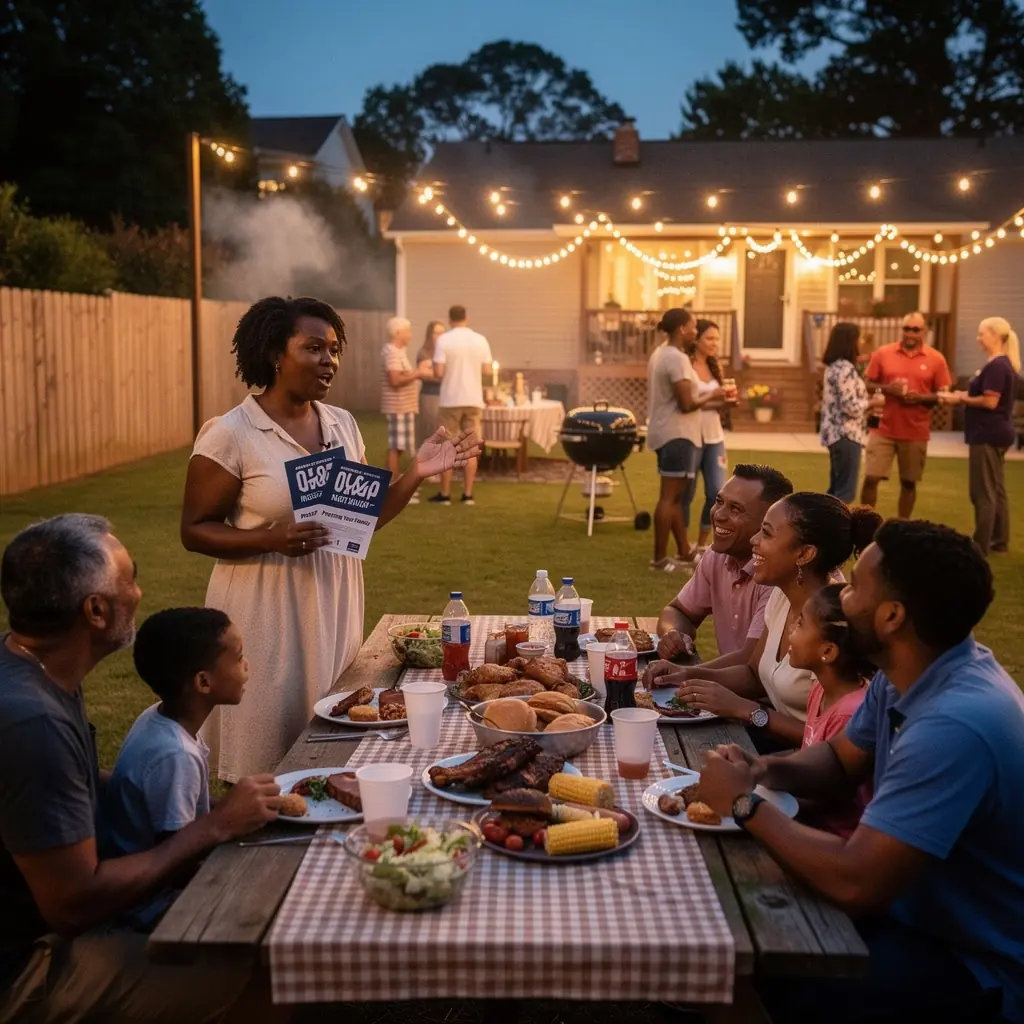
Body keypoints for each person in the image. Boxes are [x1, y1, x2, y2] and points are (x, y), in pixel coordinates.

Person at [698, 520, 1024, 1024]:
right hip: (910, 913)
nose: (840, 593)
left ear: (892, 616)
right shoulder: (905, 675)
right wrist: (762, 768)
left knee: (747, 951)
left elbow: (856, 880)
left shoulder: (955, 724)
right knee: (727, 916)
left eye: (853, 588)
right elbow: (838, 759)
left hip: (971, 959)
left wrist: (745, 804)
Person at [181, 296, 481, 780]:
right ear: (276, 354)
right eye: (314, 348)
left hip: (333, 603)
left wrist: (415, 473)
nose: (330, 361)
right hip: (266, 613)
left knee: (331, 741)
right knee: (266, 758)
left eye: (334, 349)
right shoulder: (232, 433)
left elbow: (363, 519)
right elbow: (194, 530)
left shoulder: (341, 424)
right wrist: (270, 537)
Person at [0, 515, 282, 1022]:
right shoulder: (32, 721)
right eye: (130, 578)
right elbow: (73, 903)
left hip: (60, 917)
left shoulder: (29, 667)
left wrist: (219, 807)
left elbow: (66, 785)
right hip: (28, 960)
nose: (140, 590)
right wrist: (215, 825)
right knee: (265, 967)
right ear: (95, 610)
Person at [647, 493, 881, 750]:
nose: (753, 540)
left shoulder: (833, 623)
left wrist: (745, 709)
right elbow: (753, 674)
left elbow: (831, 740)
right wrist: (686, 674)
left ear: (804, 553)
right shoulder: (781, 594)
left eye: (767, 534)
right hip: (770, 741)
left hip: (806, 762)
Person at [105, 608, 249, 929]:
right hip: (156, 908)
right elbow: (180, 860)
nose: (247, 666)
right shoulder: (174, 754)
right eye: (239, 658)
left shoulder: (157, 719)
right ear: (203, 681)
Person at [656, 464, 793, 667]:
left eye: (736, 509)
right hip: (733, 688)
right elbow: (679, 611)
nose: (718, 515)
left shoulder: (776, 573)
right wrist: (673, 634)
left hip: (766, 696)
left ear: (769, 522)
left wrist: (682, 674)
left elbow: (751, 662)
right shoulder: (717, 556)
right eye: (719, 502)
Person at [785, 584, 872, 838]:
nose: (791, 631)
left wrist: (756, 795)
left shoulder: (849, 713)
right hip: (810, 820)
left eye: (800, 625)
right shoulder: (821, 690)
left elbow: (826, 798)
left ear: (827, 651)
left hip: (833, 838)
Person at [647, 308, 723, 572]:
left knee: (676, 497)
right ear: (682, 329)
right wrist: (717, 396)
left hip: (667, 432)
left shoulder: (660, 353)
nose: (695, 330)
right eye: (693, 326)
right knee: (669, 497)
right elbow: (687, 403)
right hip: (677, 433)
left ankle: (684, 551)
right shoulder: (677, 358)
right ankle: (658, 559)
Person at [940, 316, 1020, 555]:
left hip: (988, 433)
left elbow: (989, 401)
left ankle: (980, 545)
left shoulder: (996, 366)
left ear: (995, 336)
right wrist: (965, 394)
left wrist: (959, 398)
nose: (978, 338)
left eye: (982, 333)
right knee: (996, 489)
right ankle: (999, 541)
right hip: (998, 432)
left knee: (982, 492)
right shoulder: (1003, 364)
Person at [860, 311, 951, 518]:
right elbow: (866, 383)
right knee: (871, 477)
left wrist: (920, 398)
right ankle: (865, 523)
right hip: (883, 427)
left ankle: (903, 525)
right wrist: (887, 388)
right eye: (906, 328)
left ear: (924, 332)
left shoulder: (936, 359)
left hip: (915, 429)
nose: (910, 333)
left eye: (915, 329)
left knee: (909, 482)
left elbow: (943, 395)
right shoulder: (883, 353)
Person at [429, 304, 492, 506]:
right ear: (467, 318)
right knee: (470, 447)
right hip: (473, 399)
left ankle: (445, 494)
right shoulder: (480, 340)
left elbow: (438, 373)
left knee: (447, 447)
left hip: (450, 400)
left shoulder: (444, 341)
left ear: (450, 320)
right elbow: (488, 370)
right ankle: (467, 494)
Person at [682, 319, 735, 556]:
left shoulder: (715, 367)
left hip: (715, 437)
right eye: (710, 338)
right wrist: (715, 397)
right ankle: (684, 545)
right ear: (697, 339)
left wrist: (728, 401)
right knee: (687, 492)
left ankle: (703, 544)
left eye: (717, 338)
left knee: (717, 491)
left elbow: (713, 403)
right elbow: (686, 404)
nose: (715, 343)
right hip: (691, 437)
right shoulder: (686, 366)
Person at [820, 322, 869, 503]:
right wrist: (871, 403)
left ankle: (823, 527)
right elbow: (851, 407)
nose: (862, 341)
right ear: (850, 341)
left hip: (835, 435)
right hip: (846, 434)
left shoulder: (833, 367)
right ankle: (832, 529)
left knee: (835, 490)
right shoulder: (844, 369)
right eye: (859, 338)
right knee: (845, 494)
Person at [380, 316, 423, 485]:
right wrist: (418, 373)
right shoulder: (392, 352)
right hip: (397, 405)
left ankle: (385, 483)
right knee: (396, 447)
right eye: (408, 332)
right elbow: (395, 380)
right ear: (398, 333)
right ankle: (393, 485)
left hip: (403, 405)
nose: (410, 336)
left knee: (398, 447)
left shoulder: (397, 352)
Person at [416, 319, 446, 447]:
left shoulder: (445, 352)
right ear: (430, 334)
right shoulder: (424, 352)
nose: (439, 336)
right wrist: (441, 376)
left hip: (445, 397)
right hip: (429, 396)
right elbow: (424, 375)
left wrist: (436, 372)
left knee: (443, 430)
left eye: (442, 333)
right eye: (436, 333)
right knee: (429, 430)